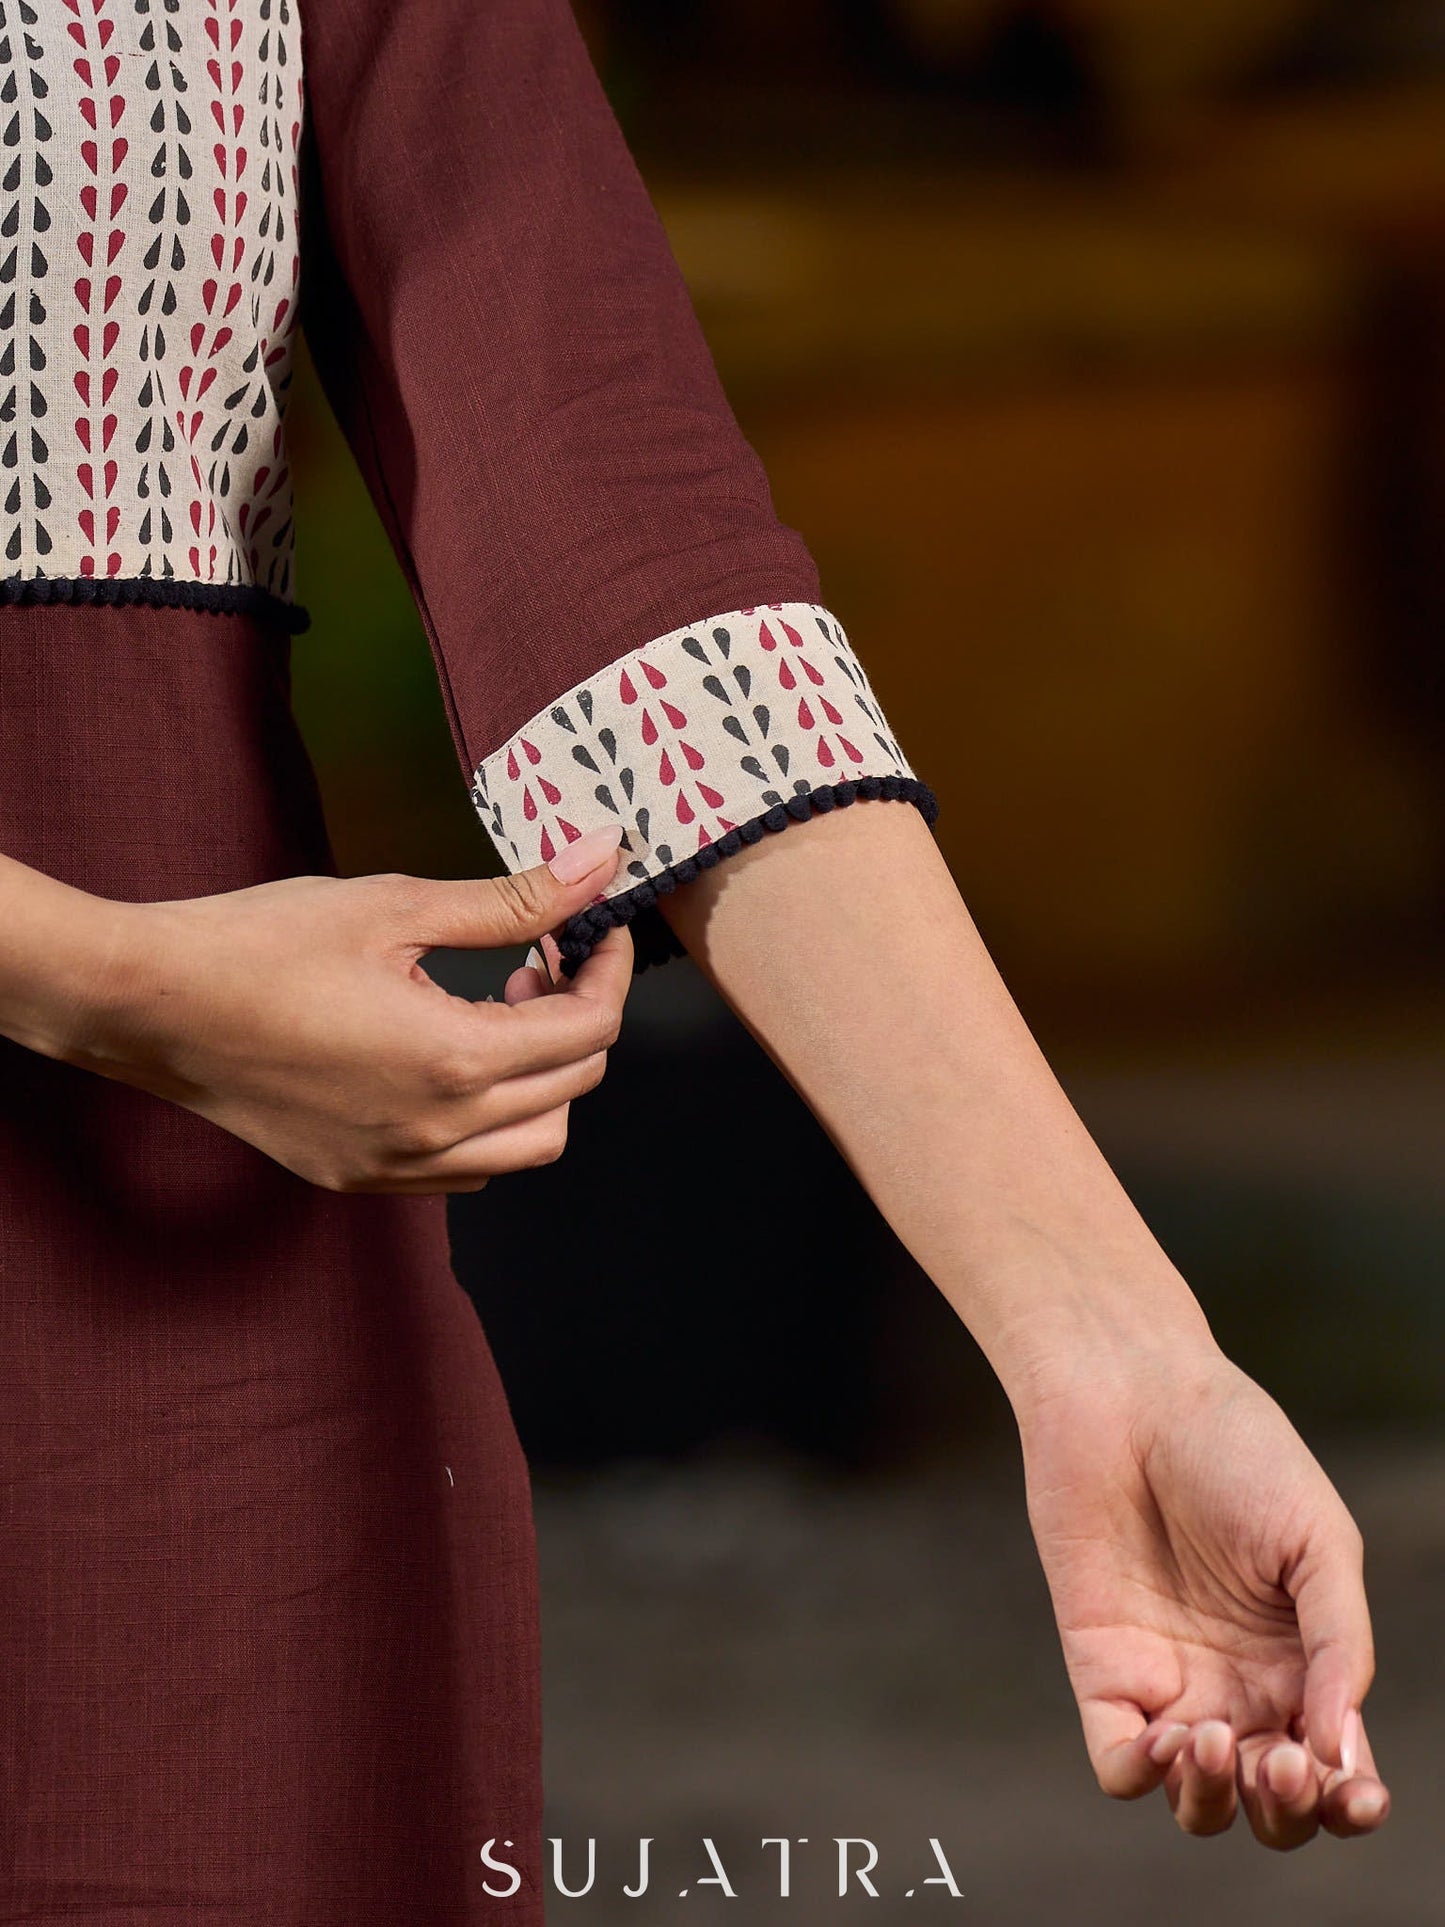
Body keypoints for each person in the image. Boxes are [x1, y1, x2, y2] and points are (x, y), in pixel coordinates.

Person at [0, 0, 1387, 1917]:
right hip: (195, 1104)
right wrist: (94, 978)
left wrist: (1111, 1349)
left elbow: (608, 526)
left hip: (187, 1328)